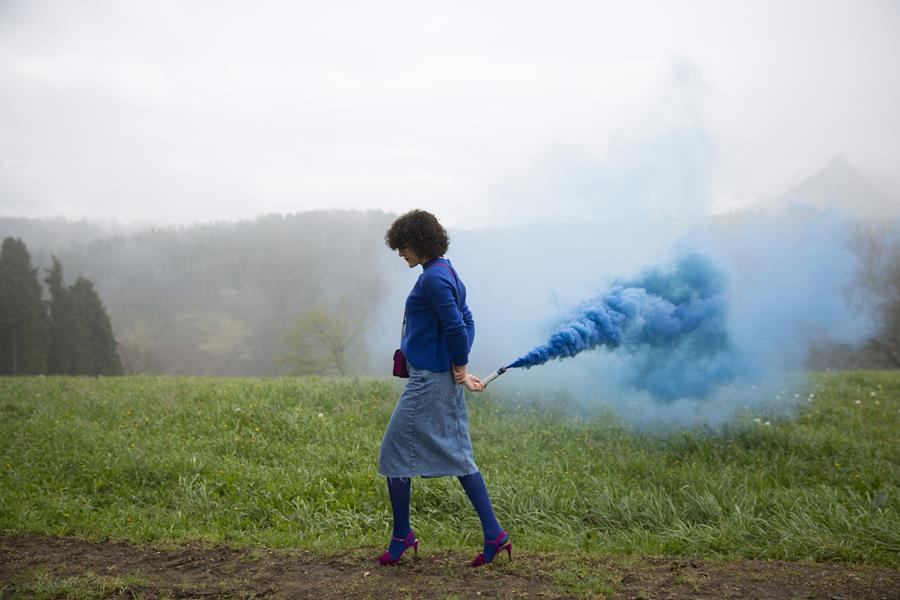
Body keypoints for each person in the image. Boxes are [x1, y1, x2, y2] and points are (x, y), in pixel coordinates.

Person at [377, 209, 511, 568]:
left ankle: (403, 536)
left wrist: (460, 365)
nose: (400, 253)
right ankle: (493, 534)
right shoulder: (443, 271)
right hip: (435, 376)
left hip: (429, 382)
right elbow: (467, 320)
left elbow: (457, 325)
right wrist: (458, 365)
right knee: (451, 453)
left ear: (419, 244)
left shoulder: (434, 279)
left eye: (403, 247)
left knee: (395, 455)